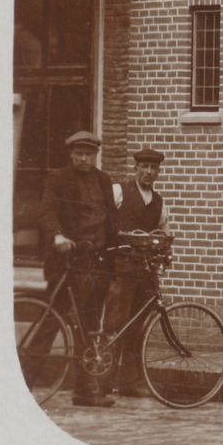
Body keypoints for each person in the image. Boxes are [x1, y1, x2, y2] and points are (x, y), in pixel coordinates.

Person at [39, 130, 119, 406]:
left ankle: (85, 392)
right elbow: (47, 212)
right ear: (71, 154)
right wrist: (57, 236)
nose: (84, 158)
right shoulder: (58, 179)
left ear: (95, 155)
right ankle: (21, 381)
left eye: (89, 153)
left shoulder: (104, 180)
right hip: (68, 262)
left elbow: (111, 221)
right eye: (79, 153)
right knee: (51, 321)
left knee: (89, 328)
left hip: (96, 264)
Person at [107, 147, 166, 395]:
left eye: (153, 169)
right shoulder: (120, 191)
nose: (149, 172)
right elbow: (105, 221)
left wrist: (159, 265)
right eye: (145, 167)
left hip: (144, 273)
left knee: (138, 327)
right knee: (116, 323)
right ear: (137, 169)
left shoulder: (160, 202)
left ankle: (129, 382)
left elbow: (162, 234)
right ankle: (104, 380)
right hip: (121, 268)